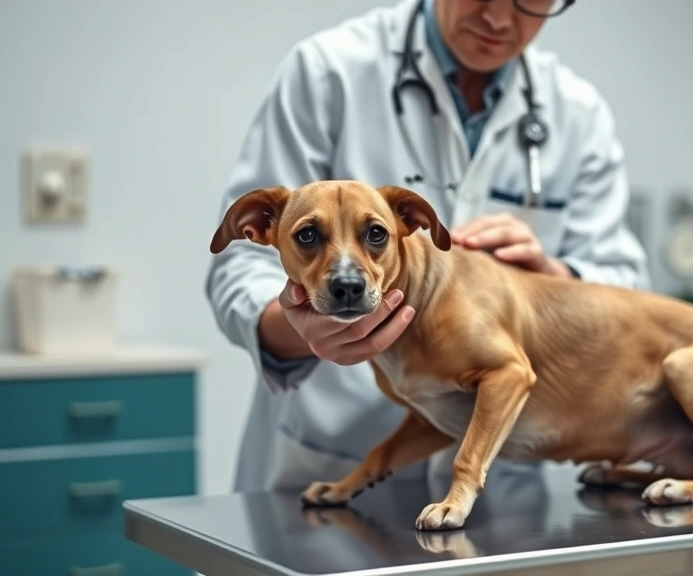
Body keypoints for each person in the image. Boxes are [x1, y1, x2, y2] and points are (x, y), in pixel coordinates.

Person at [205, 0, 651, 493]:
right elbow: (238, 268)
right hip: (334, 451)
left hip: (502, 481)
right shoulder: (329, 70)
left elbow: (627, 288)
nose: (499, 19)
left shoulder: (578, 114)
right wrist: (302, 328)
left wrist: (555, 280)